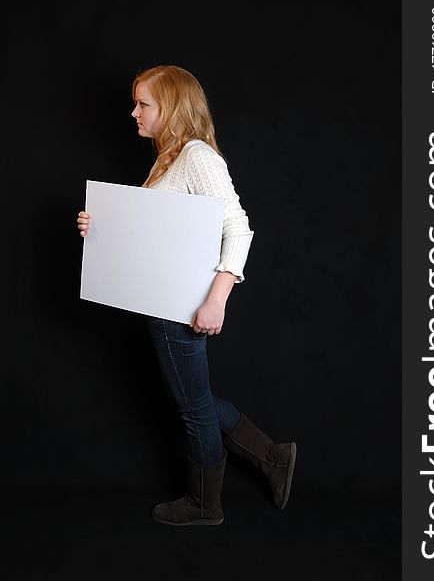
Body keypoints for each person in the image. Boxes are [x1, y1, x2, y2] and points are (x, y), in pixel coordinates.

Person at [77, 64, 297, 526]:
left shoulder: (197, 156)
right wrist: (98, 227)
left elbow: (238, 228)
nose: (134, 112)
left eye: (144, 104)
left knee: (193, 407)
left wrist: (216, 299)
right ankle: (274, 457)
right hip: (165, 304)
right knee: (195, 398)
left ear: (172, 106)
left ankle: (204, 504)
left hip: (181, 308)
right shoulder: (170, 157)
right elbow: (152, 232)